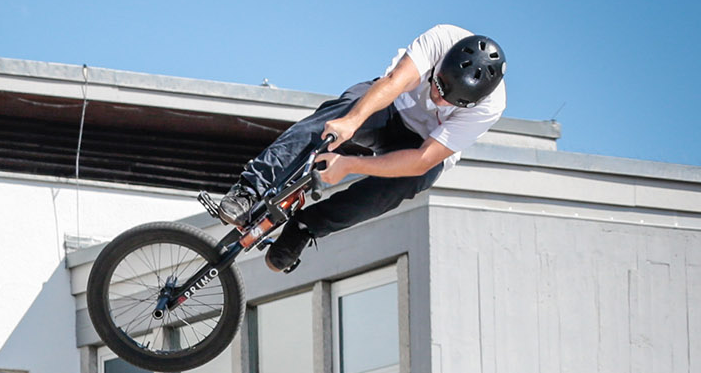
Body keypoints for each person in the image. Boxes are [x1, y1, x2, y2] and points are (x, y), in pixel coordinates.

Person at [213, 27, 506, 273]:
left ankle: (305, 227)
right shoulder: (441, 39)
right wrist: (350, 123)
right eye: (438, 85)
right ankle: (250, 188)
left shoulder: (490, 107)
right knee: (337, 118)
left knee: (412, 181)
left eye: (451, 102)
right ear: (441, 65)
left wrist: (349, 164)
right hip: (390, 103)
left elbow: (421, 160)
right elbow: (393, 83)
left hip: (419, 145)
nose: (439, 100)